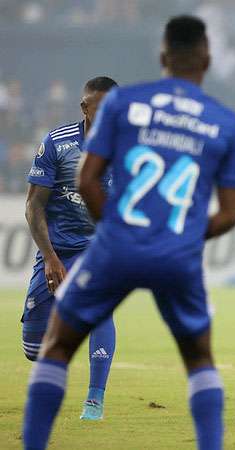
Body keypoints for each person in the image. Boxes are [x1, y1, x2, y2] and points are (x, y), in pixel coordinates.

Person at [22, 15, 235, 450]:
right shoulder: (226, 121)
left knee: (56, 347)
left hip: (117, 246)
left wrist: (119, 231)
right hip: (177, 254)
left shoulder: (125, 106)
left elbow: (88, 181)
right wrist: (178, 238)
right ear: (208, 59)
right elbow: (231, 215)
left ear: (162, 57)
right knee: (199, 358)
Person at [23, 76, 118, 421]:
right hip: (57, 250)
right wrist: (49, 257)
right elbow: (34, 206)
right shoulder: (57, 144)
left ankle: (94, 400)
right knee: (33, 347)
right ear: (85, 107)